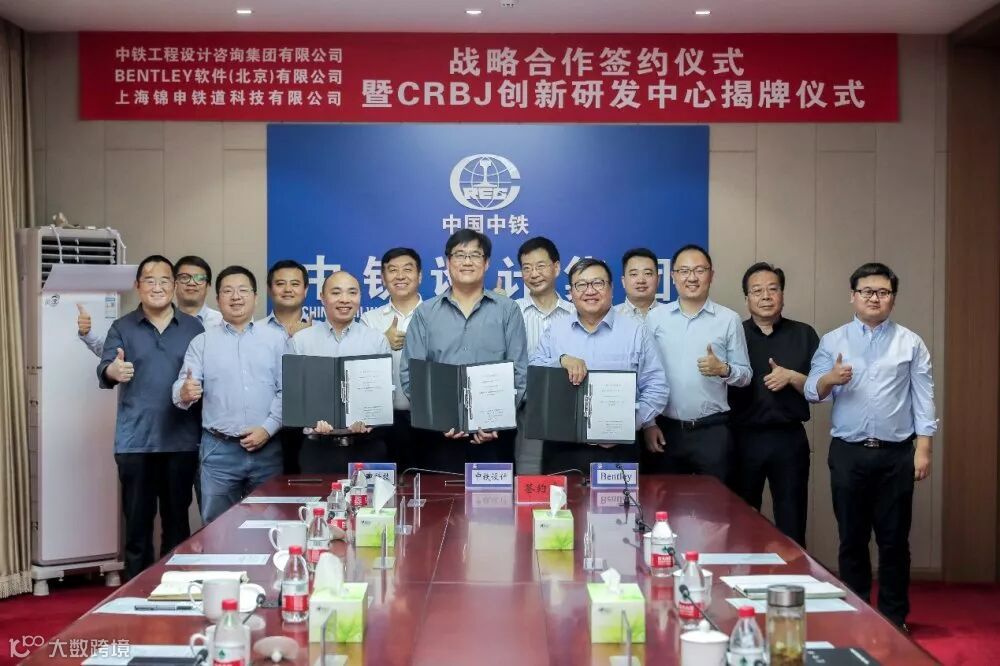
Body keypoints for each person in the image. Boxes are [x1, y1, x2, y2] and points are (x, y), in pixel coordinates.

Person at [805, 262, 935, 632]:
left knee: (894, 541)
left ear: (893, 298)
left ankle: (894, 618)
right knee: (852, 538)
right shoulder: (834, 340)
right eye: (866, 291)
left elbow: (924, 398)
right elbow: (812, 391)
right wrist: (830, 379)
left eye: (883, 292)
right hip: (849, 453)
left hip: (897, 454)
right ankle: (856, 612)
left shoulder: (910, 342)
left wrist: (923, 449)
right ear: (853, 296)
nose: (874, 298)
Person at [97, 255, 203, 580]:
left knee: (177, 525)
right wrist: (114, 370)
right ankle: (135, 594)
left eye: (164, 280)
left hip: (181, 441)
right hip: (135, 443)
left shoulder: (194, 328)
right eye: (150, 280)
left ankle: (175, 588)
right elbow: (105, 367)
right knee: (138, 526)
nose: (157, 287)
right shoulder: (122, 327)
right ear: (138, 286)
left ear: (174, 286)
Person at [400, 229, 528, 473]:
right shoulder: (426, 313)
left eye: (475, 255)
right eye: (459, 255)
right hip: (438, 437)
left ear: (486, 262)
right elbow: (411, 373)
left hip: (494, 438)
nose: (467, 261)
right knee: (438, 497)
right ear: (448, 262)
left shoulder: (508, 310)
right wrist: (438, 418)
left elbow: (519, 371)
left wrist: (496, 420)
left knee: (495, 499)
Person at [531, 258, 668, 473]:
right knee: (560, 497)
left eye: (598, 283)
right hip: (561, 446)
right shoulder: (555, 330)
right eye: (581, 285)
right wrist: (561, 360)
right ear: (571, 292)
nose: (590, 291)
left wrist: (627, 426)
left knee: (620, 497)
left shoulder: (635, 331)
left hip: (618, 449)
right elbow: (535, 374)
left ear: (611, 289)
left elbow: (656, 387)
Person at [172, 266, 285, 523]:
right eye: (228, 291)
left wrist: (267, 429)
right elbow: (181, 387)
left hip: (267, 449)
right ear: (218, 298)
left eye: (243, 290)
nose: (236, 297)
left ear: (255, 297)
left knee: (270, 527)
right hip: (219, 451)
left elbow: (288, 391)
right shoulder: (202, 342)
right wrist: (184, 392)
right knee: (217, 528)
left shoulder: (277, 340)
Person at [643, 244, 751, 483]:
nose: (691, 277)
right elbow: (645, 375)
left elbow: (745, 375)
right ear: (673, 277)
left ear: (711, 275)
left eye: (699, 270)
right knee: (664, 501)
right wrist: (649, 424)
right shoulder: (655, 319)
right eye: (684, 271)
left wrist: (724, 369)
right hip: (666, 430)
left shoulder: (729, 319)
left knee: (716, 502)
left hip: (712, 431)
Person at [728, 262, 818, 546]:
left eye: (772, 289)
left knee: (792, 520)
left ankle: (794, 573)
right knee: (741, 521)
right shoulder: (733, 334)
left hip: (788, 439)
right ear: (747, 299)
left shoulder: (804, 334)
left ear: (782, 295)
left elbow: (821, 389)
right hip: (742, 438)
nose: (765, 296)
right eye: (757, 291)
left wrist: (792, 377)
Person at [287, 271, 392, 474]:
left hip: (367, 447)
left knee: (369, 496)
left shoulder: (376, 340)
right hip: (317, 450)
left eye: (352, 292)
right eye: (336, 292)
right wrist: (310, 420)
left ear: (360, 297)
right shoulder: (301, 341)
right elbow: (293, 393)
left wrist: (371, 419)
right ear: (322, 297)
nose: (345, 299)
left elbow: (386, 393)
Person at [77, 255, 222, 356]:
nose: (191, 283)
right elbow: (112, 353)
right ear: (174, 284)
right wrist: (87, 334)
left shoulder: (221, 323)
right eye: (184, 277)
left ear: (208, 285)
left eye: (199, 278)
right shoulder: (144, 321)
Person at [360, 248, 423, 471]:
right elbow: (358, 368)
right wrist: (381, 341)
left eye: (407, 269)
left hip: (426, 419)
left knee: (426, 483)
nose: (400, 276)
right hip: (381, 421)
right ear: (383, 278)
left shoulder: (434, 314)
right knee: (384, 484)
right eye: (393, 270)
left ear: (420, 276)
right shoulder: (369, 320)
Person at [514, 237, 573, 474]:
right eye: (527, 268)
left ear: (556, 267)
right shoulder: (511, 311)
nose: (534, 274)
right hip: (524, 410)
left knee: (565, 478)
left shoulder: (575, 313)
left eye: (540, 266)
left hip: (567, 410)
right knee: (528, 479)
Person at [262, 259, 315, 474]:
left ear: (306, 290)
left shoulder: (320, 331)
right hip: (265, 426)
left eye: (294, 284)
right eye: (280, 283)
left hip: (308, 428)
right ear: (269, 289)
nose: (287, 289)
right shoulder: (255, 331)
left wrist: (304, 339)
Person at [614, 248, 661, 321]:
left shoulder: (671, 316)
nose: (641, 280)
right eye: (634, 274)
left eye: (647, 273)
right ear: (623, 281)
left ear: (658, 279)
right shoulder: (611, 317)